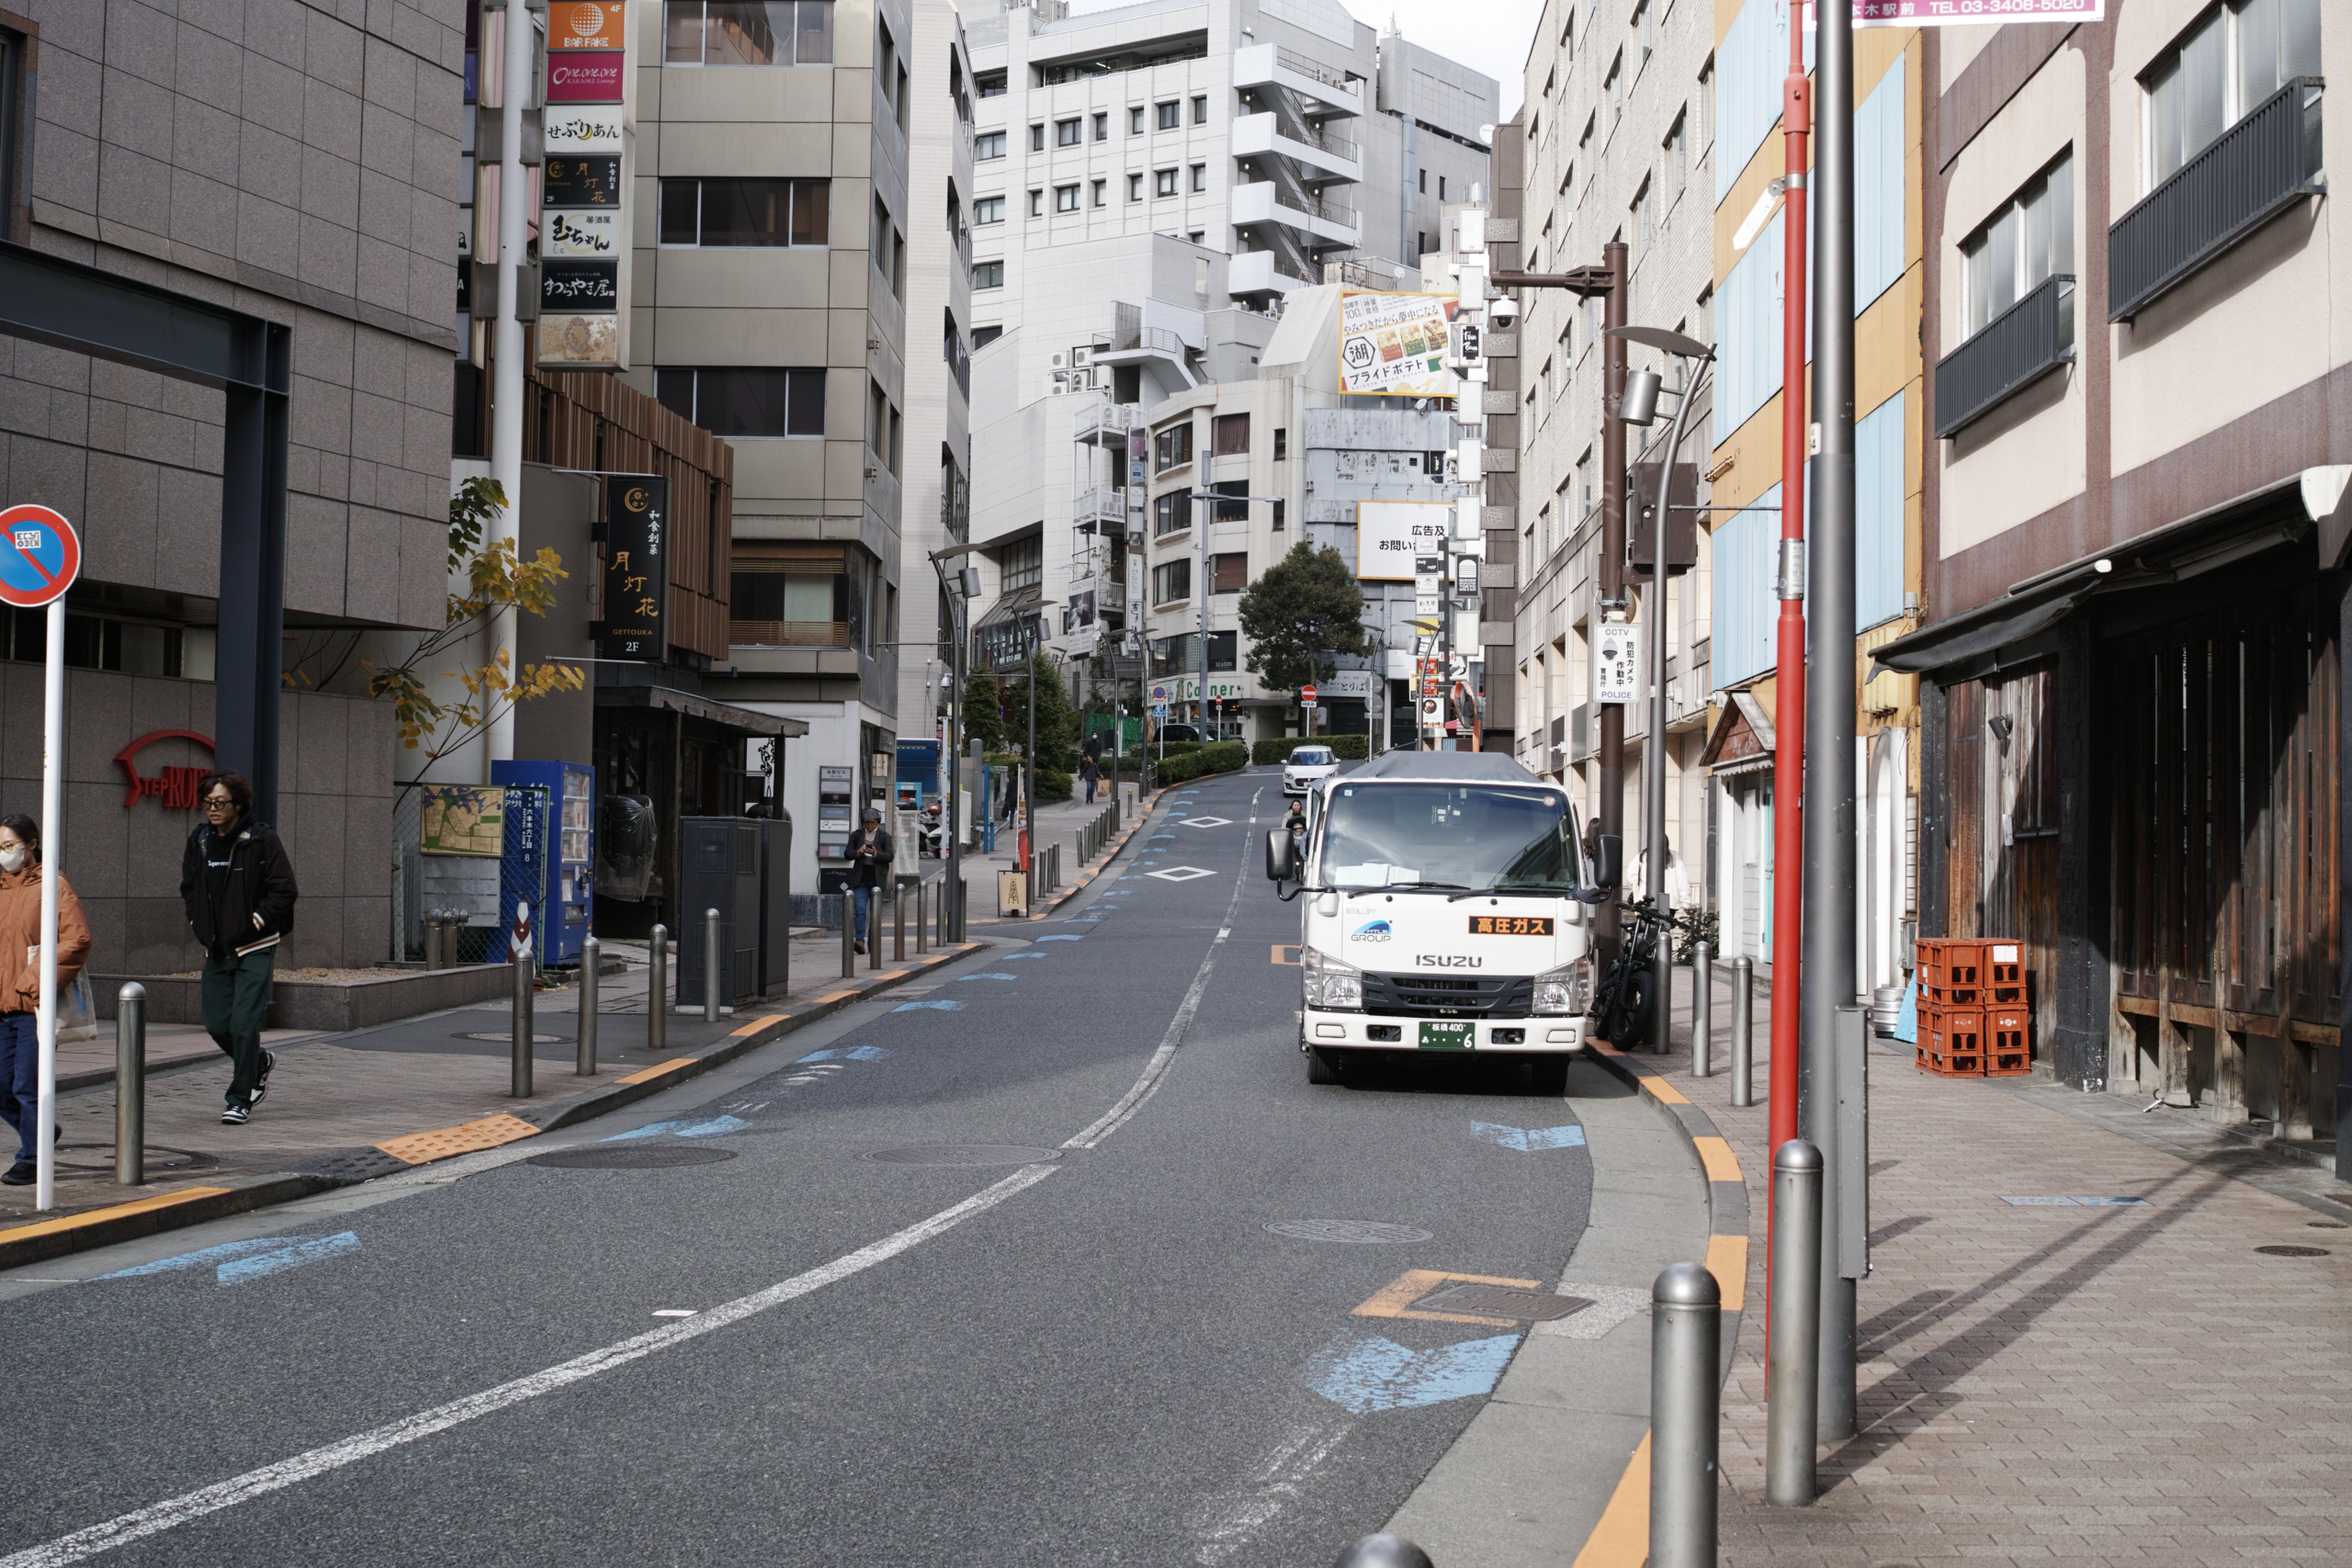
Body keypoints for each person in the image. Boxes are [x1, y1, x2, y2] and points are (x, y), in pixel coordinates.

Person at [180, 771, 299, 1125]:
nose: (212, 810)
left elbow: (285, 890)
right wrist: (196, 921)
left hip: (255, 946)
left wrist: (256, 921)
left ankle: (239, 1098)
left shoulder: (261, 839)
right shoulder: (200, 840)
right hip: (216, 948)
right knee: (217, 1024)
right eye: (207, 803)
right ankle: (259, 1062)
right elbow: (188, 886)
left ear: (238, 804)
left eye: (220, 803)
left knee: (245, 1024)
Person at [0, 816, 89, 1186]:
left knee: (25, 1085)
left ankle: (33, 1157)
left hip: (32, 1006)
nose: (3, 854)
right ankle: (41, 1130)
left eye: (9, 846)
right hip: (2, 1006)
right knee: (2, 1086)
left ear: (31, 844)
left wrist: (33, 983)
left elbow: (77, 940)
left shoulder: (53, 885)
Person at [843, 805, 893, 954]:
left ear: (877, 822)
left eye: (872, 822)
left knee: (876, 913)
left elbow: (890, 856)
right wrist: (858, 852)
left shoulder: (885, 836)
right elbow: (847, 853)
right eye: (866, 822)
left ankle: (873, 941)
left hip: (878, 880)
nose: (869, 825)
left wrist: (876, 853)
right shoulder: (856, 835)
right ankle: (859, 941)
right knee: (860, 910)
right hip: (861, 879)